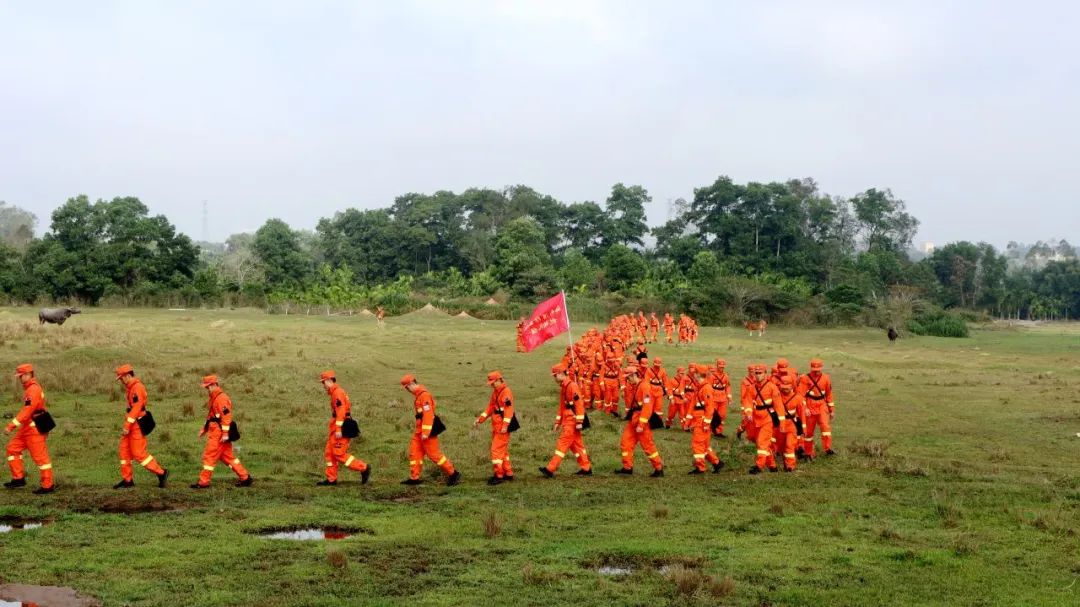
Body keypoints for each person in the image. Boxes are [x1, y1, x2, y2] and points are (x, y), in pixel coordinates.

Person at [192, 375, 253, 489]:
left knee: (209, 456)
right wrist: (204, 429)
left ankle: (203, 482)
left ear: (214, 385)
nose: (207, 389)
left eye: (208, 387)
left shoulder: (221, 398)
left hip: (218, 434)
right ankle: (245, 477)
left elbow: (226, 417)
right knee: (228, 457)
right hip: (215, 431)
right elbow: (211, 416)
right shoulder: (214, 397)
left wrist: (225, 434)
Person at [113, 364, 168, 489]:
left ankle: (161, 473)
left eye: (121, 378)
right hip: (131, 422)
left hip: (136, 424)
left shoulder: (137, 387)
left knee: (138, 453)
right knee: (124, 451)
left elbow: (137, 408)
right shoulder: (131, 387)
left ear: (127, 376)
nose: (120, 381)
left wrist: (127, 425)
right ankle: (127, 480)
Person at [4, 364, 55, 494]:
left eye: (21, 376)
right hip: (27, 428)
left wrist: (11, 425)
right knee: (12, 448)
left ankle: (47, 486)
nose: (20, 379)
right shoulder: (30, 389)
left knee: (41, 459)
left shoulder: (33, 390)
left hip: (34, 430)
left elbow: (27, 411)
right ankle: (18, 478)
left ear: (28, 374)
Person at [401, 374, 460, 486]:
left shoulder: (424, 396)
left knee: (434, 455)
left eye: (407, 388)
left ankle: (453, 474)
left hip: (426, 433)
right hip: (419, 432)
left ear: (412, 384)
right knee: (414, 453)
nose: (407, 390)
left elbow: (428, 415)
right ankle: (414, 478)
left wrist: (426, 433)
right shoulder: (419, 395)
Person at [318, 370, 370, 486]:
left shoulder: (337, 393)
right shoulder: (335, 392)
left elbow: (341, 412)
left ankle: (363, 467)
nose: (323, 386)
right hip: (336, 424)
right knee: (330, 452)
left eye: (323, 382)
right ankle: (331, 479)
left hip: (340, 426)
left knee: (338, 453)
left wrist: (338, 430)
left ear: (329, 380)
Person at [539, 364, 592, 478]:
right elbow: (562, 406)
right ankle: (586, 468)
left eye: (555, 376)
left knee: (562, 444)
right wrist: (557, 422)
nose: (554, 378)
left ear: (560, 374)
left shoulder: (572, 386)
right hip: (567, 420)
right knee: (577, 446)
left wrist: (579, 422)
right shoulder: (564, 386)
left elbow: (579, 405)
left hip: (572, 421)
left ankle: (550, 469)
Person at [615, 367, 664, 477]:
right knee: (625, 442)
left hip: (642, 421)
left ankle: (658, 468)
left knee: (648, 446)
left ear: (633, 375)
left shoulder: (644, 386)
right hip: (634, 419)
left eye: (628, 378)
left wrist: (641, 424)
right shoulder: (634, 386)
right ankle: (627, 467)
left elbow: (647, 407)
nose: (628, 381)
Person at [474, 371, 517, 485]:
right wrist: (480, 419)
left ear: (499, 380)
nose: (492, 385)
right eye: (491, 383)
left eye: (493, 383)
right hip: (496, 425)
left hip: (502, 427)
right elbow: (490, 407)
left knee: (496, 451)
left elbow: (509, 410)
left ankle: (499, 475)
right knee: (502, 451)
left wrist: (505, 426)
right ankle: (508, 473)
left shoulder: (506, 392)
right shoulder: (496, 392)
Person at [684, 364, 723, 474]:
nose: (693, 375)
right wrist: (687, 422)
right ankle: (717, 463)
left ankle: (701, 467)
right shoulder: (700, 387)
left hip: (701, 421)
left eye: (695, 373)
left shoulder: (706, 388)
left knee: (697, 444)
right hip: (698, 420)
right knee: (704, 446)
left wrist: (706, 423)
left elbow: (710, 407)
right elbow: (692, 406)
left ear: (698, 374)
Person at [746, 364, 782, 474]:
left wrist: (781, 422)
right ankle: (772, 466)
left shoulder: (772, 387)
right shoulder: (751, 388)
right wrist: (748, 412)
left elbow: (779, 405)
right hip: (756, 418)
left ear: (765, 374)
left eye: (760, 373)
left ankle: (759, 466)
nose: (757, 376)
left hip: (768, 419)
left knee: (762, 442)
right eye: (756, 373)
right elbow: (747, 401)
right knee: (761, 443)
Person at [798, 359, 836, 458]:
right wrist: (805, 408)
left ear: (821, 368)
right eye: (814, 369)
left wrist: (831, 410)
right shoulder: (805, 378)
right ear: (811, 368)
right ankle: (808, 452)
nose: (816, 371)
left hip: (822, 405)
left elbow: (829, 395)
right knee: (809, 432)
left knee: (825, 427)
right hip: (810, 405)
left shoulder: (826, 378)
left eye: (818, 369)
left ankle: (827, 449)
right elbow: (800, 395)